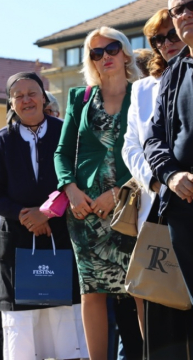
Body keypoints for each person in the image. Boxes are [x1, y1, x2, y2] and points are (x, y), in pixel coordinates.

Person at [0, 71, 86, 360]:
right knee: (22, 327)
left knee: (64, 320)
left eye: (32, 93)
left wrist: (47, 214)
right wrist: (25, 216)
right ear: (11, 103)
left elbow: (79, 179)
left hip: (61, 236)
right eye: (19, 96)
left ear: (43, 96)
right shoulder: (1, 140)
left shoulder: (66, 132)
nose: (26, 100)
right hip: (16, 242)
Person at [54, 27, 141, 360]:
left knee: (140, 290)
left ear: (125, 52)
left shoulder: (143, 94)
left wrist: (119, 191)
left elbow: (147, 152)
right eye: (96, 52)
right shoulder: (81, 97)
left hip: (130, 206)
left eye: (112, 48)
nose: (105, 56)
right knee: (92, 293)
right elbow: (62, 152)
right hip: (85, 210)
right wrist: (70, 188)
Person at [145, 0, 193, 336]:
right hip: (182, 207)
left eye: (191, 6)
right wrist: (172, 175)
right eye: (178, 10)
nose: (184, 14)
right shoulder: (175, 72)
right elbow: (152, 137)